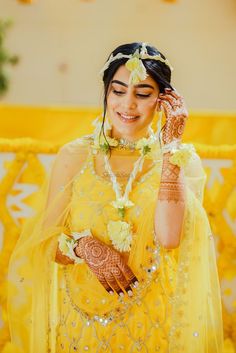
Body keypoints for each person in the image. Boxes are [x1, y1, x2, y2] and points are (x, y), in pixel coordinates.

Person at [6, 42, 224, 353]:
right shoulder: (74, 155)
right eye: (118, 91)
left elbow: (170, 236)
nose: (128, 104)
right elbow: (45, 243)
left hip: (153, 322)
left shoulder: (178, 159)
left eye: (143, 93)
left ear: (163, 100)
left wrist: (171, 147)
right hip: (81, 326)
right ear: (106, 93)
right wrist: (86, 246)